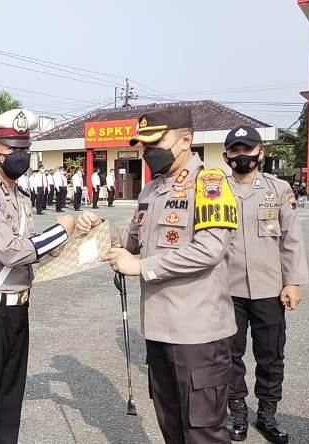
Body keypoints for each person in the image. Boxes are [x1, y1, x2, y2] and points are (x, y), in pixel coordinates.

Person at [78, 107, 239, 443]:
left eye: (156, 142)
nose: (149, 152)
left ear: (185, 140)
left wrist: (141, 267)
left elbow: (209, 249)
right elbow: (135, 241)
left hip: (197, 334)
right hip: (159, 331)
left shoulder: (209, 183)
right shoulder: (151, 190)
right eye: (144, 145)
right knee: (171, 424)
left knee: (203, 430)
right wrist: (101, 228)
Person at [0, 108, 75, 444]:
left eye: (25, 149)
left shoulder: (18, 196)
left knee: (9, 405)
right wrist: (60, 230)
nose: (20, 156)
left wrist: (78, 230)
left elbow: (32, 248)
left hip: (16, 309)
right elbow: (11, 251)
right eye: (13, 149)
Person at [223, 126, 309, 444]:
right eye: (235, 150)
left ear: (260, 153)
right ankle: (237, 414)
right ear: (226, 156)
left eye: (248, 149)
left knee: (271, 354)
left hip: (269, 288)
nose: (242, 156)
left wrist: (294, 282)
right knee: (229, 354)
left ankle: (267, 415)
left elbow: (291, 239)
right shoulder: (214, 190)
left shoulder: (278, 189)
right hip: (226, 289)